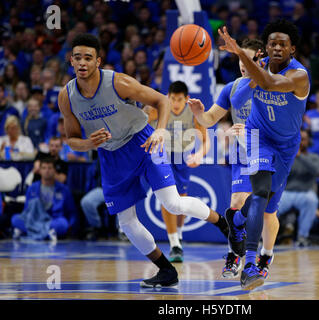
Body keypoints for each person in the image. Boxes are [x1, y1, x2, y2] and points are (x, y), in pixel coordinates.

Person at [57, 33, 228, 288]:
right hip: (110, 155)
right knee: (126, 223)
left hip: (143, 141)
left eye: (88, 58)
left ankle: (224, 224)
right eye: (78, 58)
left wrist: (160, 129)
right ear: (71, 61)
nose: (82, 63)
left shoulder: (119, 82)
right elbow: (70, 139)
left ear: (98, 61)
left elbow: (161, 100)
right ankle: (166, 270)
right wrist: (88, 144)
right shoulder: (66, 96)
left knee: (172, 203)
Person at [216, 19, 310, 290]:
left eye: (283, 44)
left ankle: (235, 219)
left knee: (268, 205)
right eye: (272, 43)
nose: (277, 47)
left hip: (286, 146)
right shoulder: (259, 68)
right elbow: (236, 100)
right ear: (266, 47)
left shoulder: (299, 75)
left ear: (292, 49)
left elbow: (269, 83)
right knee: (259, 191)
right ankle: (250, 264)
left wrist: (242, 54)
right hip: (257, 136)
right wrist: (250, 64)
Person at [189, 38, 280, 279]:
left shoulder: (272, 86)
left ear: (261, 60)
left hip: (268, 149)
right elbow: (209, 120)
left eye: (248, 59)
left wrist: (252, 132)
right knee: (237, 202)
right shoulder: (231, 88)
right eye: (241, 58)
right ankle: (234, 254)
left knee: (268, 212)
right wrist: (200, 113)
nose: (243, 64)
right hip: (241, 152)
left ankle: (267, 255)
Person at [144, 80, 210, 262]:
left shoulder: (193, 113)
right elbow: (139, 122)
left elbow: (206, 140)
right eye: (172, 98)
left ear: (186, 99)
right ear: (168, 97)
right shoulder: (158, 107)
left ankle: (178, 236)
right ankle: (174, 244)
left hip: (182, 156)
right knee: (168, 199)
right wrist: (145, 114)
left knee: (180, 199)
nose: (175, 103)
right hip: (162, 154)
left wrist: (199, 155)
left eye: (179, 99)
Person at [11, 158, 77, 242]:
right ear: (40, 171)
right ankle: (48, 233)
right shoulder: (32, 188)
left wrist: (70, 225)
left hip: (53, 220)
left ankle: (30, 232)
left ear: (54, 170)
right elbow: (26, 210)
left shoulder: (63, 189)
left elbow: (71, 211)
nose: (47, 171)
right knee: (15, 219)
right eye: (44, 168)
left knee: (63, 224)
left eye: (50, 168)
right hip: (34, 220)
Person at [276, 129, 319, 247]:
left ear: (309, 141)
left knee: (312, 201)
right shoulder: (287, 156)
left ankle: (303, 236)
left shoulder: (314, 157)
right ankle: (265, 236)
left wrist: (300, 156)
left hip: (305, 192)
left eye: (304, 139)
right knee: (270, 205)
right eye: (298, 139)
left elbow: (317, 171)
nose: (301, 142)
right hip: (286, 192)